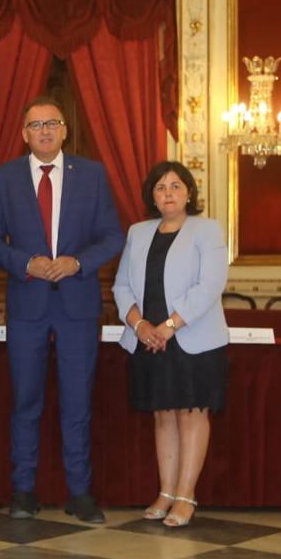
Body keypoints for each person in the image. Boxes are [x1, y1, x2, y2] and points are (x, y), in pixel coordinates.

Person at [0, 96, 124, 524]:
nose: (45, 131)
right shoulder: (5, 177)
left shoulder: (93, 175)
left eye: (52, 123)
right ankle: (23, 490)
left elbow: (112, 236)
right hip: (27, 303)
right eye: (36, 125)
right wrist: (24, 263)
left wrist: (78, 262)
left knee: (77, 402)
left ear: (64, 130)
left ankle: (80, 492)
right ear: (24, 134)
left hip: (77, 304)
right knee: (25, 400)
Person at [112, 162, 227, 528]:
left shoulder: (207, 230)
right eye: (161, 188)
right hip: (148, 339)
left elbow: (210, 284)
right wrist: (141, 325)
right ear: (152, 197)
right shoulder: (138, 232)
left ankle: (186, 495)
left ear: (189, 192)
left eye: (176, 186)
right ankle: (166, 491)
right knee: (163, 415)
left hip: (191, 338)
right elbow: (121, 286)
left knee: (191, 414)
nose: (168, 193)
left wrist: (169, 326)